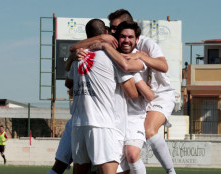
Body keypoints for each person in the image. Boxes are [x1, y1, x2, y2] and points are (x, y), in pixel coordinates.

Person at [72, 9, 176, 174]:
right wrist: (77, 54)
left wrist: (141, 57)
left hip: (157, 98)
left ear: (136, 38)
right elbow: (71, 63)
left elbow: (158, 72)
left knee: (137, 147)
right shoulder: (110, 52)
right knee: (112, 164)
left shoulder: (141, 48)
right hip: (114, 115)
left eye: (116, 28)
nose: (113, 32)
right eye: (113, 29)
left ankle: (171, 171)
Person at [89, 21, 153, 174]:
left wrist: (138, 87)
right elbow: (73, 50)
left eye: (130, 37)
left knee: (131, 155)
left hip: (132, 120)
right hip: (108, 121)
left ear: (137, 39)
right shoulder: (105, 57)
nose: (126, 40)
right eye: (123, 36)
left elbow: (149, 95)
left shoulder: (135, 60)